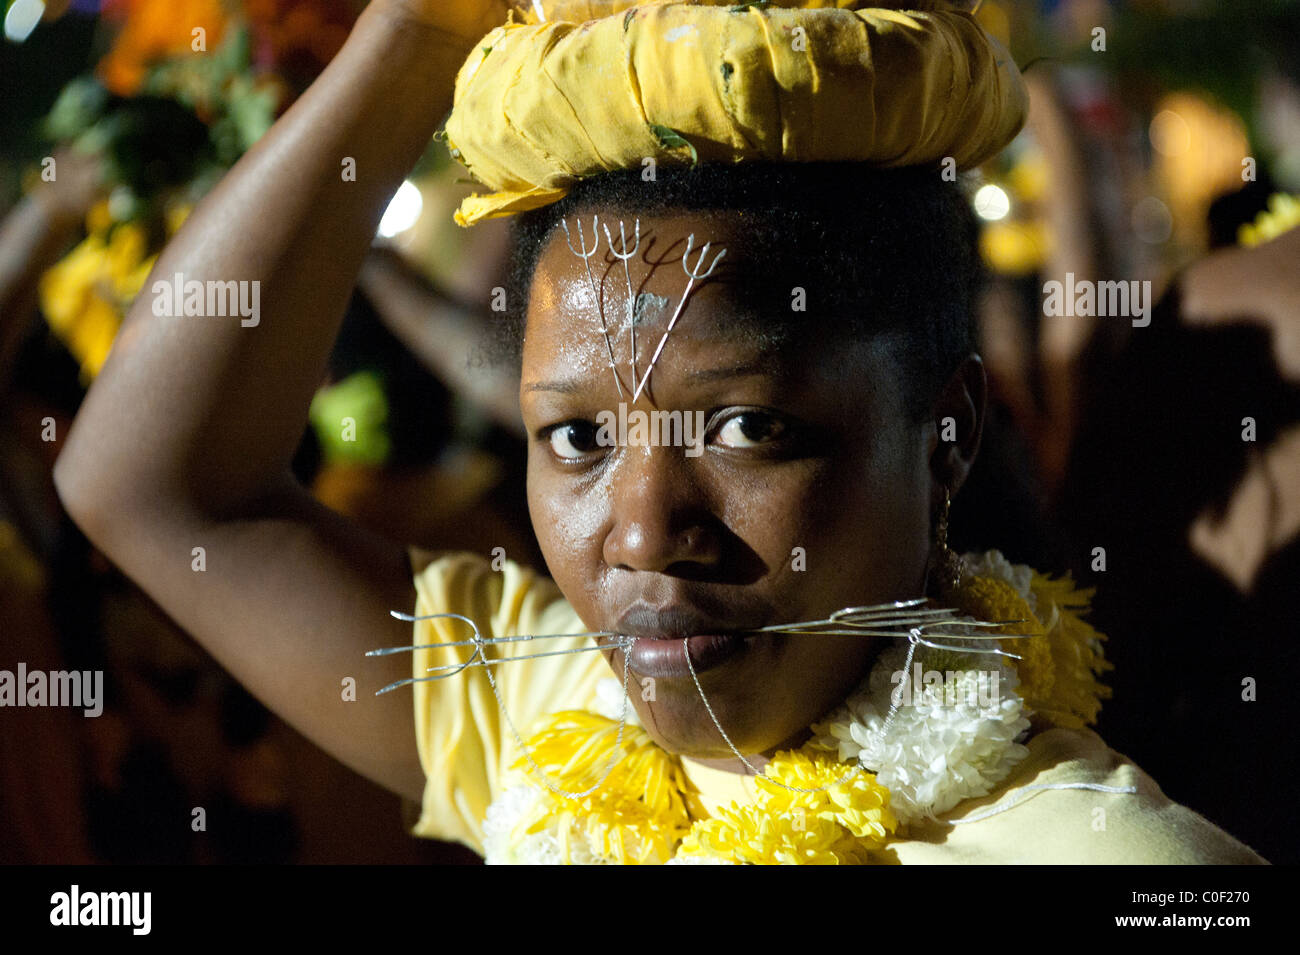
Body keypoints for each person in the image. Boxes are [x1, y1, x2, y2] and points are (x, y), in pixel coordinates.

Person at [53, 0, 1266, 863]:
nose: (639, 533)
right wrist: (415, 34)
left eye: (745, 426)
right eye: (575, 440)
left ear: (944, 433)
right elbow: (154, 486)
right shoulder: (554, 720)